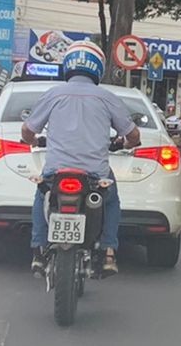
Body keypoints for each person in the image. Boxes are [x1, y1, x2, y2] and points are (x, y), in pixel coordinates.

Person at [19, 41, 140, 277]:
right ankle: (108, 252)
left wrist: (32, 141)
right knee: (112, 201)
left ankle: (38, 249)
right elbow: (133, 134)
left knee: (41, 194)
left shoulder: (53, 94)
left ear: (69, 65)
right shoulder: (107, 97)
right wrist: (127, 144)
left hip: (56, 172)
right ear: (98, 68)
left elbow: (27, 130)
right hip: (96, 173)